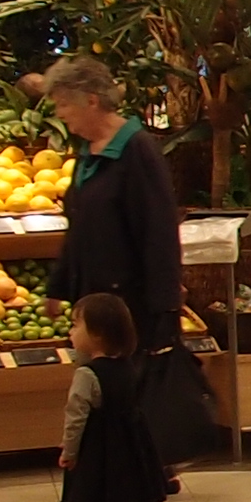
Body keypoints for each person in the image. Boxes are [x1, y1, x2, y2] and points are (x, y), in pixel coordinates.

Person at [44, 55, 181, 354]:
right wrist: (58, 287)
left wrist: (164, 313)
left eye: (64, 104)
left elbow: (158, 232)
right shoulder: (88, 152)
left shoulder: (137, 150)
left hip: (130, 313)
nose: (59, 113)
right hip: (93, 310)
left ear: (91, 101)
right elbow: (79, 225)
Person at [59, 292, 180, 502]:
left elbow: (76, 417)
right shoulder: (130, 366)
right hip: (134, 446)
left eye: (76, 325)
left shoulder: (86, 374)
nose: (70, 332)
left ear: (97, 334)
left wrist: (69, 451)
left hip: (99, 451)